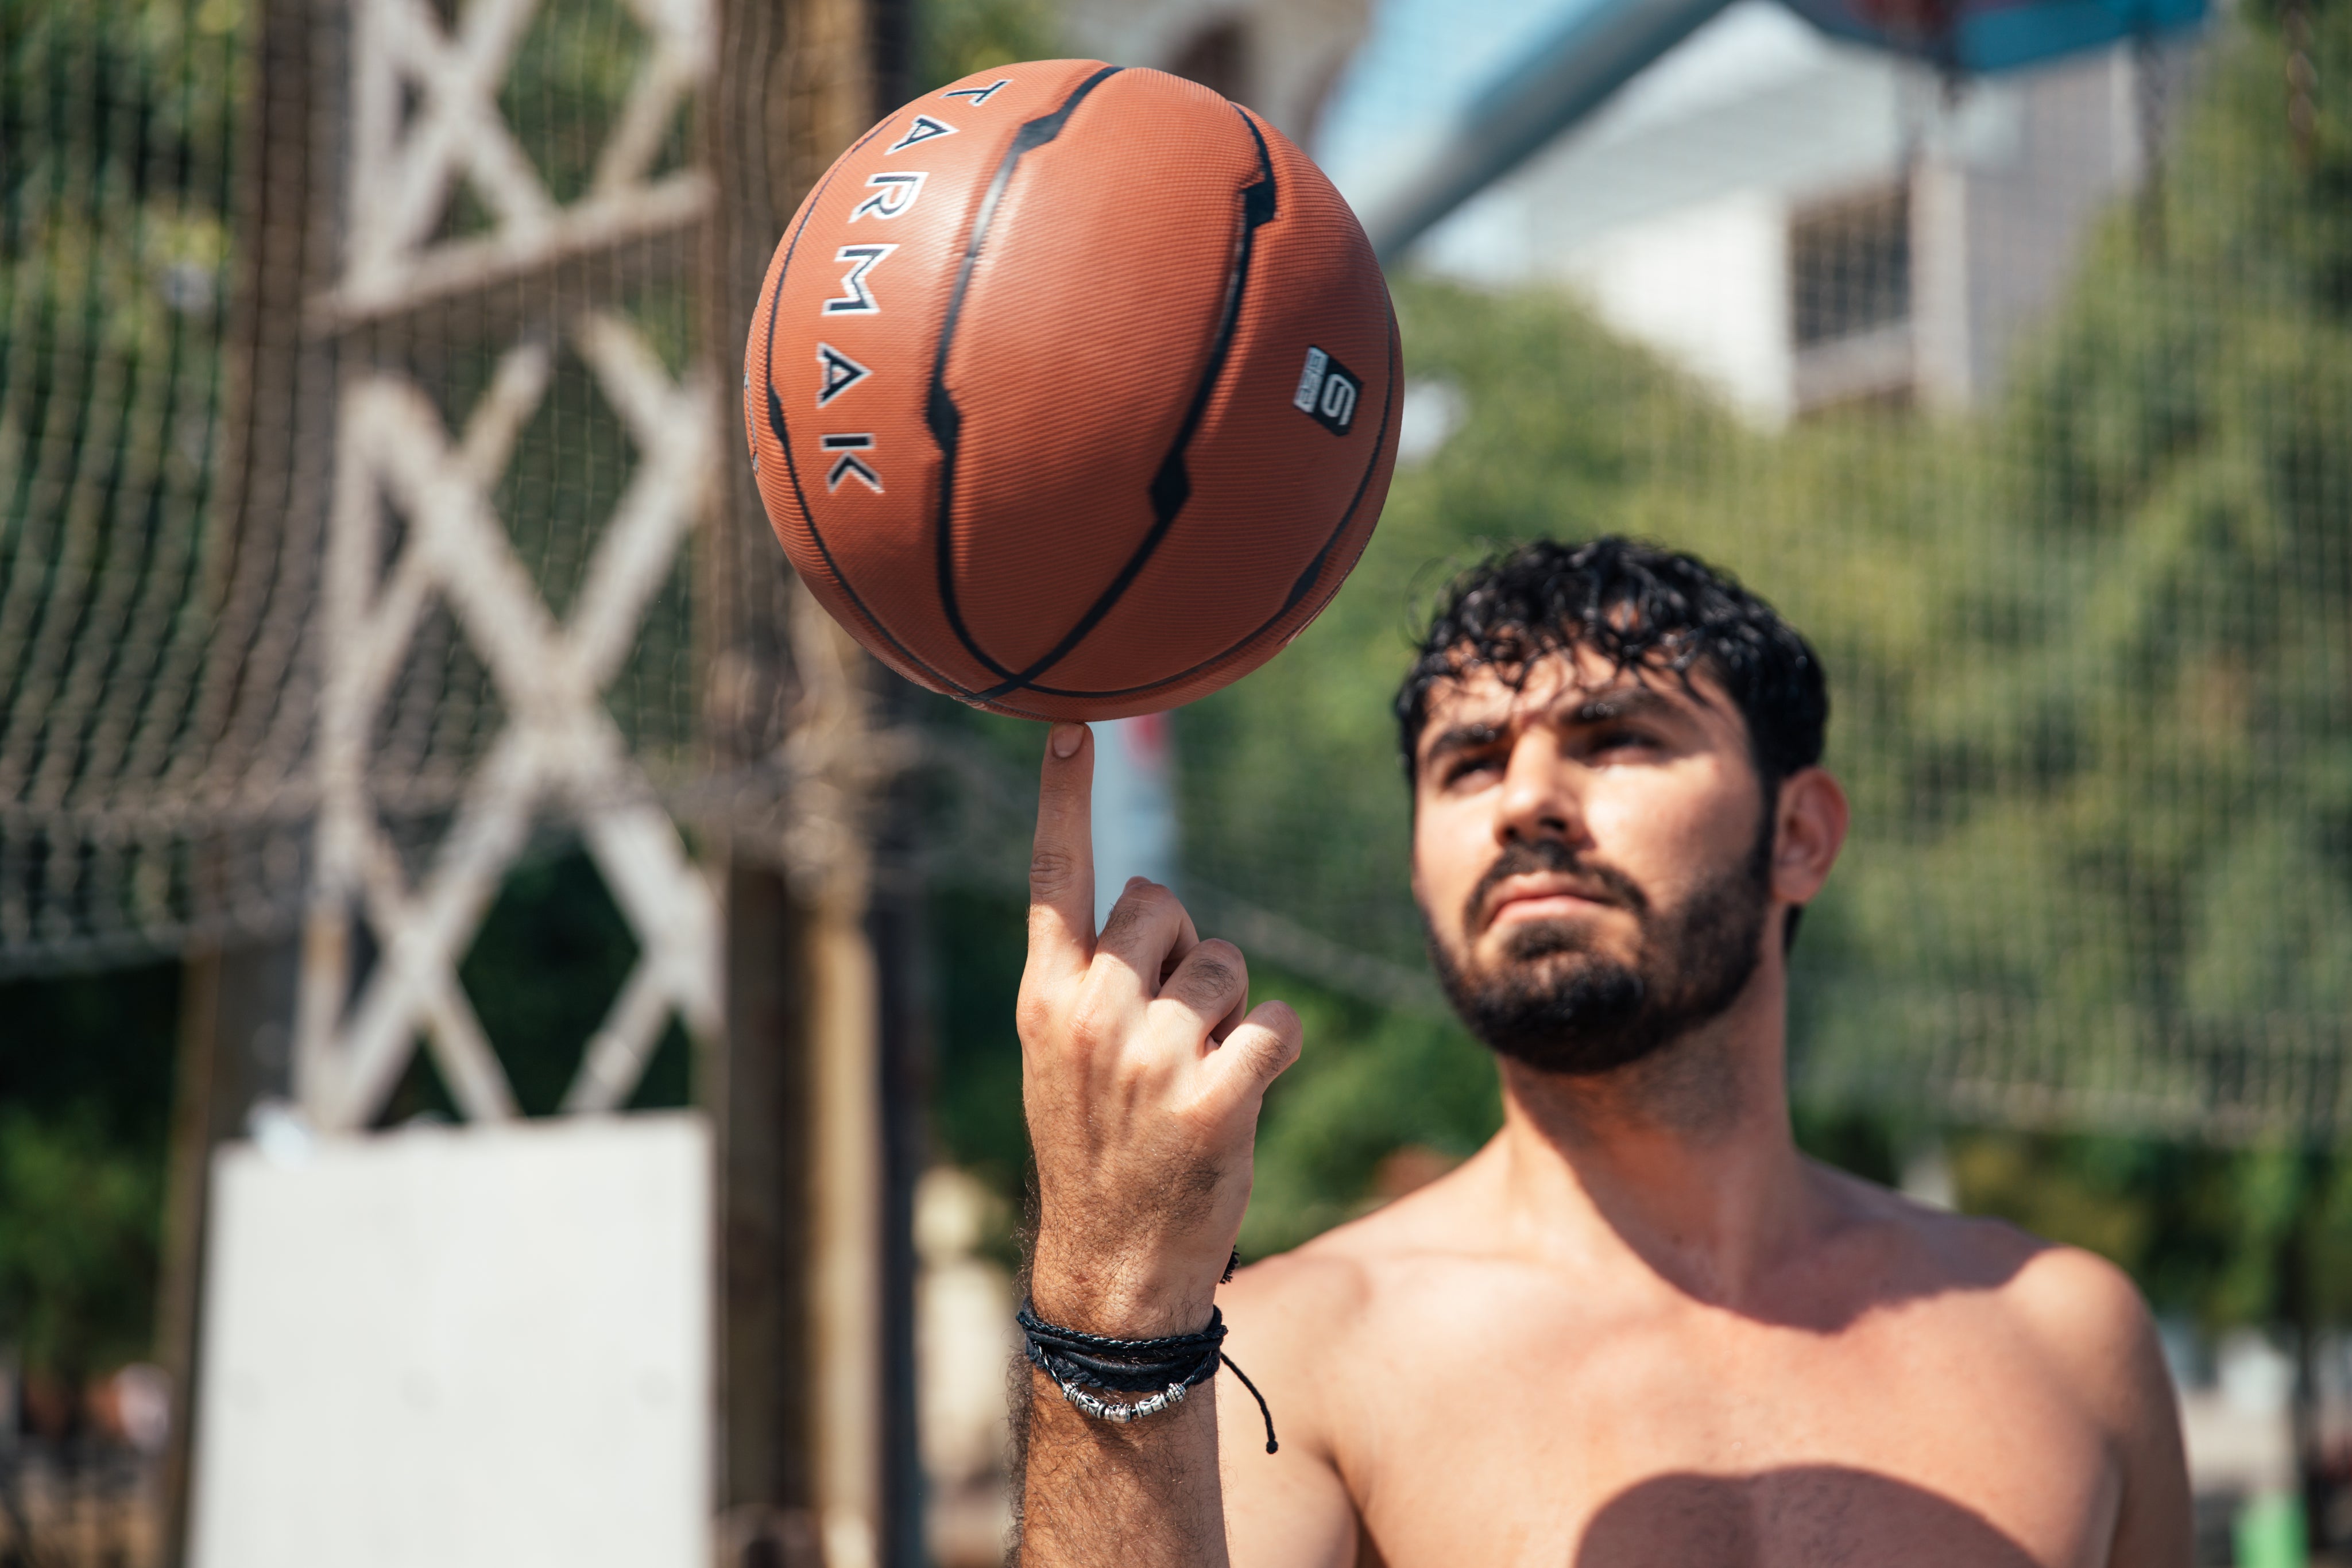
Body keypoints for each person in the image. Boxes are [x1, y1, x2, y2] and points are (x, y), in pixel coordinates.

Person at [1012, 537, 2192, 1567]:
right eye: (1467, 762)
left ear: (1796, 834)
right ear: (1419, 863)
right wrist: (1107, 1303)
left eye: (1614, 738)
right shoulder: (1290, 1357)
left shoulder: (2064, 1339)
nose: (1525, 799)